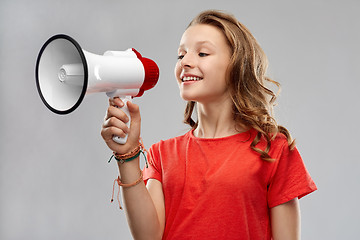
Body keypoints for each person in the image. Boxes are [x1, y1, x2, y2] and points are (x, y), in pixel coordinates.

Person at [101, 9, 317, 240]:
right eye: (181, 55)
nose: (186, 62)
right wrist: (127, 156)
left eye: (202, 53)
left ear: (237, 65)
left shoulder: (273, 149)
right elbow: (148, 237)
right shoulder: (162, 155)